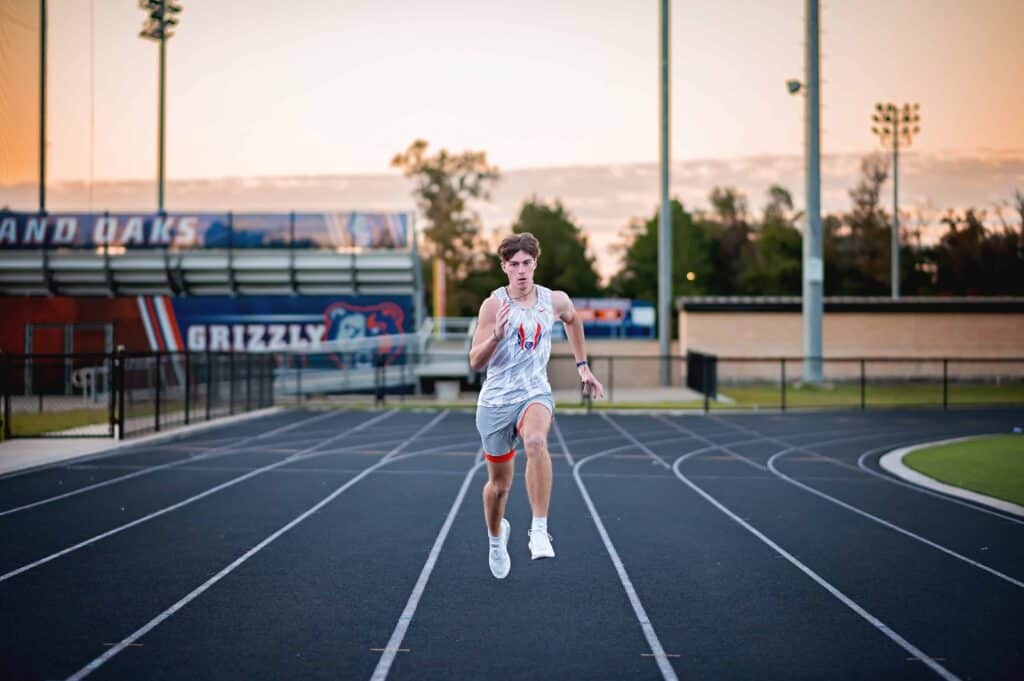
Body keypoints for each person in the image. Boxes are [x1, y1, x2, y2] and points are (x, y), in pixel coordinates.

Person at [468, 232, 605, 579]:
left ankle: (539, 530)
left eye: (527, 263)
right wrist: (496, 337)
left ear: (535, 263)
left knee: (535, 442)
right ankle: (496, 538)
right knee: (499, 487)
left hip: (535, 393)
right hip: (497, 400)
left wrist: (582, 366)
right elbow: (474, 362)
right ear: (504, 267)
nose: (521, 271)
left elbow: (573, 320)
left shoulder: (553, 300)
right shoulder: (493, 305)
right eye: (513, 265)